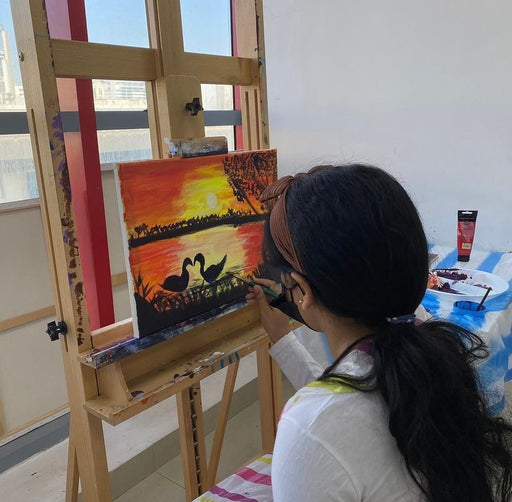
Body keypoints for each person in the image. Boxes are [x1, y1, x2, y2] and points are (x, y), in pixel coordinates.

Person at [247, 164, 512, 502]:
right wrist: (283, 338)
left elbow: (334, 419)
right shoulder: (429, 347)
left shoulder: (309, 428)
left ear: (302, 290)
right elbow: (351, 400)